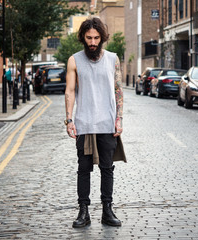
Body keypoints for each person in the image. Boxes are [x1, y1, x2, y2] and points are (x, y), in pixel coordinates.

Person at [65, 17, 124, 228]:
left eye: (96, 38)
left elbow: (118, 90)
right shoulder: (74, 60)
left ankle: (107, 210)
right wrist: (69, 120)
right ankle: (84, 211)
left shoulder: (113, 59)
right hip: (84, 124)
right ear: (83, 37)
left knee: (107, 168)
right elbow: (70, 91)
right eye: (89, 37)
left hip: (107, 123)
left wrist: (119, 119)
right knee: (84, 168)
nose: (92, 42)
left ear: (102, 38)